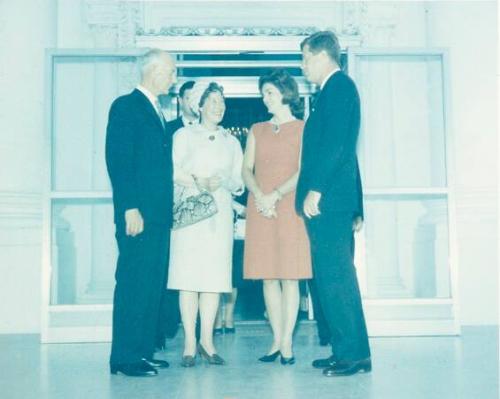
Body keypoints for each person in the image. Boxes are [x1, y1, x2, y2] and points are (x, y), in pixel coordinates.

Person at [297, 30, 371, 377]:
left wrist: (316, 189)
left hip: (328, 201)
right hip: (335, 200)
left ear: (321, 55)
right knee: (332, 277)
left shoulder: (339, 88)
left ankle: (352, 355)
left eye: (304, 58)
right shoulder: (334, 90)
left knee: (336, 277)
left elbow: (339, 148)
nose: (303, 66)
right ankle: (347, 349)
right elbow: (346, 151)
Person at [105, 49, 176, 377]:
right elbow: (119, 162)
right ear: (152, 70)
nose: (173, 78)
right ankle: (125, 357)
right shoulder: (126, 106)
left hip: (158, 217)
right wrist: (129, 207)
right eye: (170, 71)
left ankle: (142, 351)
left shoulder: (156, 110)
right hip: (139, 216)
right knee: (135, 283)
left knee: (151, 285)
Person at [167, 82, 244, 367]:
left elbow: (239, 181)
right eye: (212, 101)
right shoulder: (183, 135)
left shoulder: (232, 142)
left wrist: (224, 181)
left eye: (222, 102)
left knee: (213, 279)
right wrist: (197, 180)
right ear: (199, 106)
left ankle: (207, 341)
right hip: (190, 214)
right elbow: (172, 169)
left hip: (219, 215)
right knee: (188, 278)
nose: (219, 106)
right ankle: (189, 342)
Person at [243, 69, 312, 365]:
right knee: (268, 277)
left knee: (290, 276)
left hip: (288, 207)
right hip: (261, 208)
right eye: (263, 93)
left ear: (285, 93)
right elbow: (246, 169)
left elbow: (302, 170)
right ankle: (275, 339)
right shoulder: (256, 129)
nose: (265, 98)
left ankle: (287, 343)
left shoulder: (302, 128)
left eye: (269, 92)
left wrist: (275, 195)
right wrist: (259, 194)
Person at [156, 79, 197, 350]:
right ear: (181, 100)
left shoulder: (214, 131)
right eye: (191, 97)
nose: (196, 102)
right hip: (175, 210)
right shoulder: (168, 130)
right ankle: (167, 327)